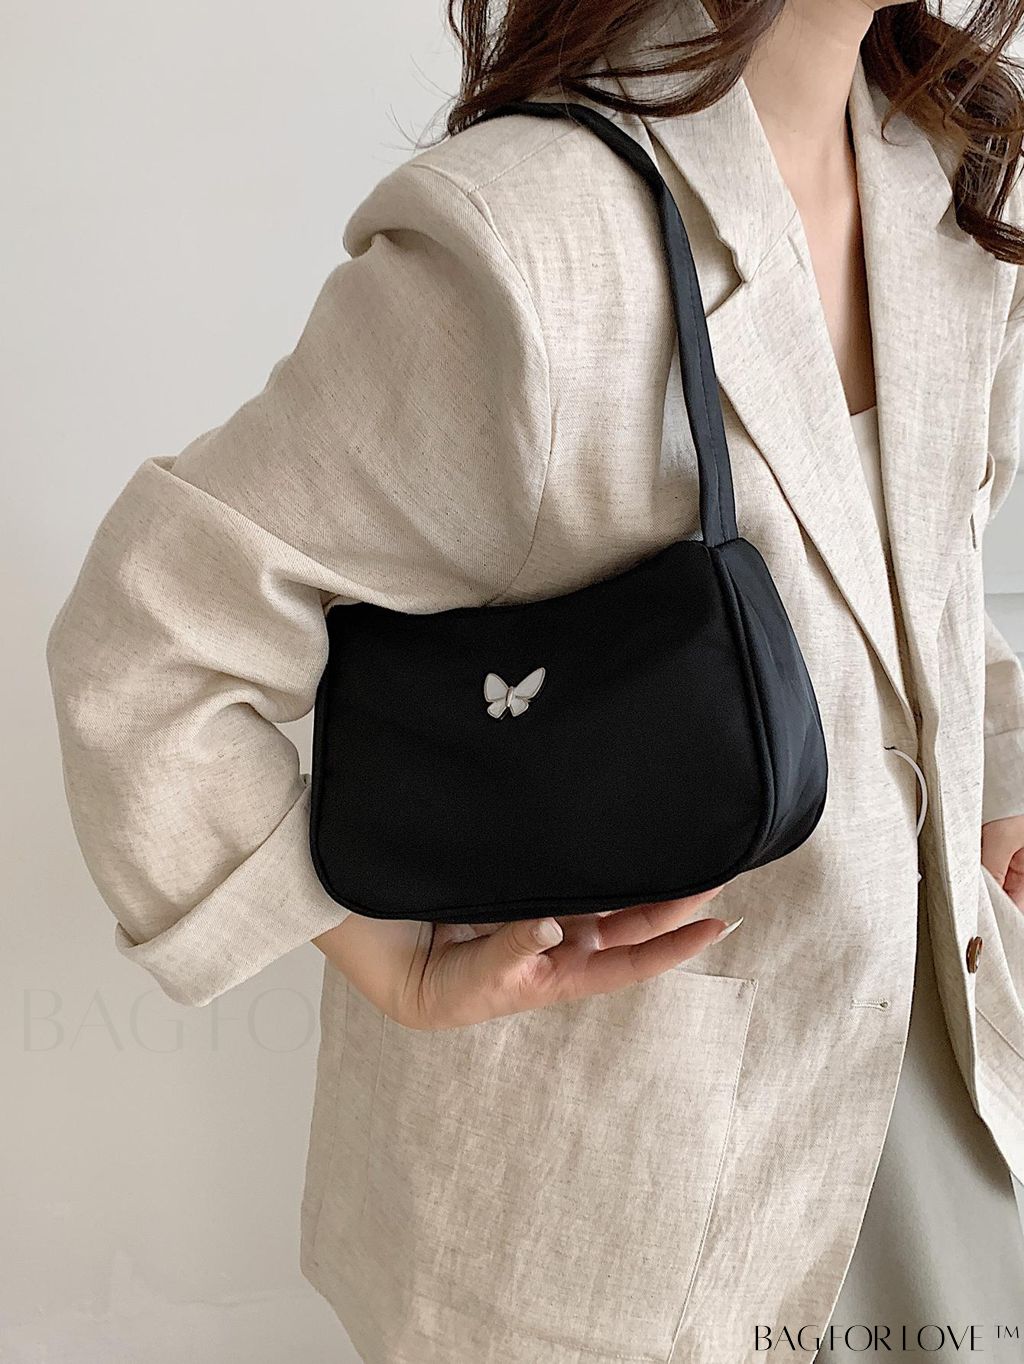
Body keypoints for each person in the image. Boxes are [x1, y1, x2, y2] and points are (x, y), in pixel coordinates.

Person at [46, 0, 1024, 1359]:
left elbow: (915, 569)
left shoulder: (954, 177)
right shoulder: (533, 246)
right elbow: (149, 637)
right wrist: (382, 957)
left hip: (950, 1092)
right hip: (630, 1203)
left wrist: (997, 779)